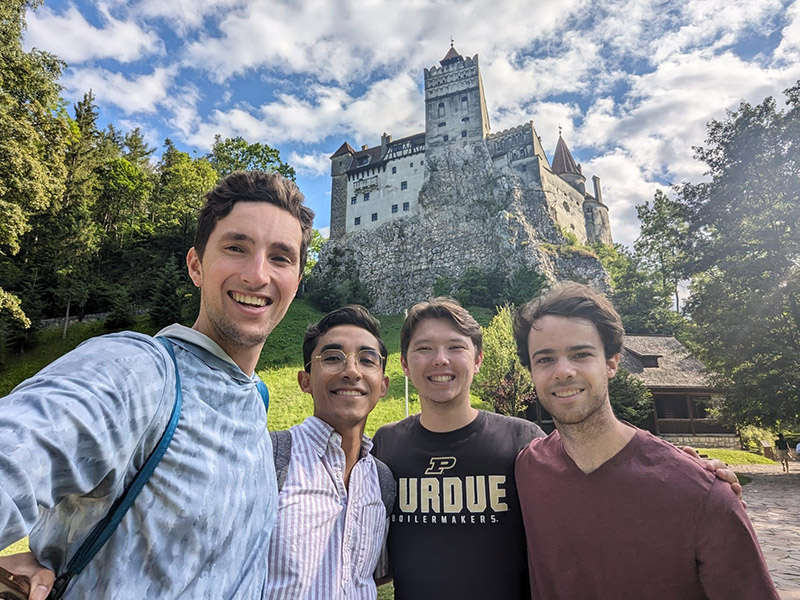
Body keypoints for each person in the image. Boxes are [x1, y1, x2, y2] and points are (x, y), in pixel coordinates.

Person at [0, 171, 314, 599]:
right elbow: (15, 453)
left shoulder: (255, 402)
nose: (258, 275)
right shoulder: (139, 370)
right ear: (196, 265)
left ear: (297, 283)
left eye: (280, 258)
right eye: (237, 248)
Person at [512, 282, 779, 599]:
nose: (564, 371)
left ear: (611, 363)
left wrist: (705, 486)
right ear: (531, 373)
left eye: (581, 354)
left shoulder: (702, 493)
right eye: (545, 359)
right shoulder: (528, 469)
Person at [371, 298, 546, 600]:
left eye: (455, 347)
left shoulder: (522, 439)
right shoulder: (385, 445)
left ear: (477, 360)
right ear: (404, 364)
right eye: (424, 348)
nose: (440, 359)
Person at [265, 305, 393, 599]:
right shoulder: (270, 457)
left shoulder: (383, 481)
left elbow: (374, 577)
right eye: (333, 358)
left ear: (383, 385)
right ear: (305, 381)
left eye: (367, 360)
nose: (351, 371)